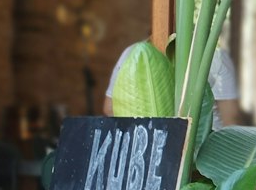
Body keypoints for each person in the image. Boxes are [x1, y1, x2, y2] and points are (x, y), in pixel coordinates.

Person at [103, 42, 240, 127]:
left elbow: (110, 108)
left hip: (147, 151)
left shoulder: (132, 53)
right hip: (204, 157)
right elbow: (231, 120)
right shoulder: (137, 52)